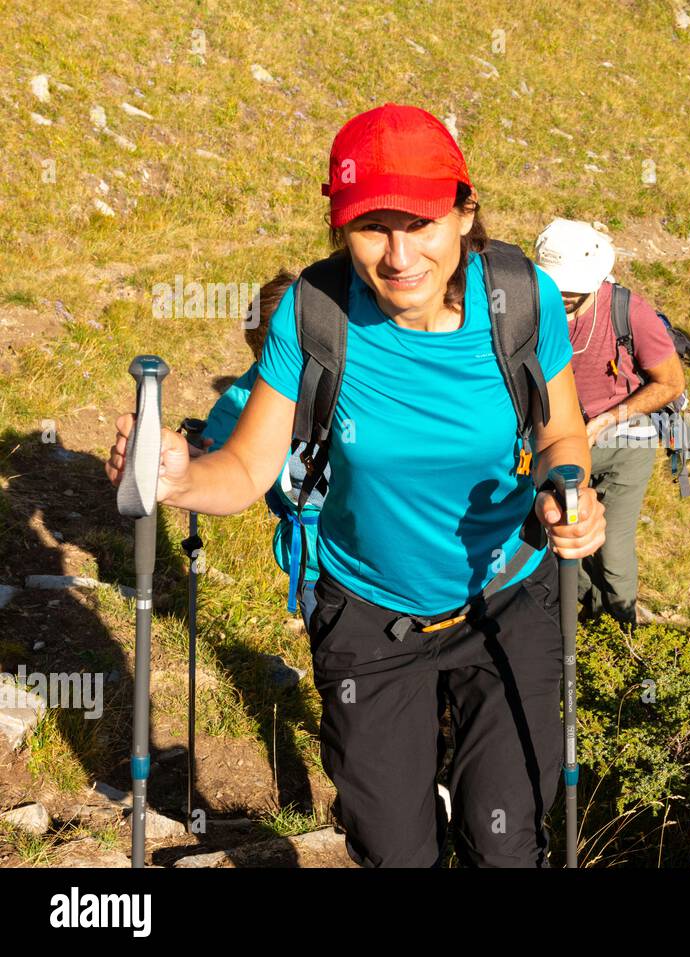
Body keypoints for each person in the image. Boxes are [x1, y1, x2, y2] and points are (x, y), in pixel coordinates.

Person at [106, 104, 605, 868]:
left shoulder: (522, 296)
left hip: (507, 597)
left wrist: (567, 485)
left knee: (506, 843)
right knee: (393, 851)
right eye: (372, 228)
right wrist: (175, 476)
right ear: (341, 227)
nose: (399, 255)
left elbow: (559, 433)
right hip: (369, 618)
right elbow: (242, 469)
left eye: (423, 223)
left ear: (465, 213)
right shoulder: (314, 312)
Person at [533, 219, 685, 628]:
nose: (562, 296)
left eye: (571, 290)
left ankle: (622, 627)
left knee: (613, 551)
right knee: (567, 542)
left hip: (624, 445)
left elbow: (670, 382)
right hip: (556, 444)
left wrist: (603, 421)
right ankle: (586, 615)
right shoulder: (531, 305)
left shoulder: (628, 311)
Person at [197, 269, 328, 624]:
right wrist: (195, 460)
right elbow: (218, 455)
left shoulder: (357, 375)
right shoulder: (243, 399)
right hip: (314, 561)